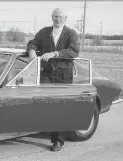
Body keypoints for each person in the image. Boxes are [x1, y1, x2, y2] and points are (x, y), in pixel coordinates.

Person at [26, 8, 80, 152]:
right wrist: (31, 51)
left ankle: (58, 141)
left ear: (65, 18)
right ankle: (46, 127)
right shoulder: (44, 32)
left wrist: (55, 53)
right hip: (47, 73)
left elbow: (74, 51)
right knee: (46, 102)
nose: (58, 19)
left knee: (61, 106)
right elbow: (32, 43)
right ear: (52, 17)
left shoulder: (71, 33)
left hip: (64, 75)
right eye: (55, 16)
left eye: (60, 17)